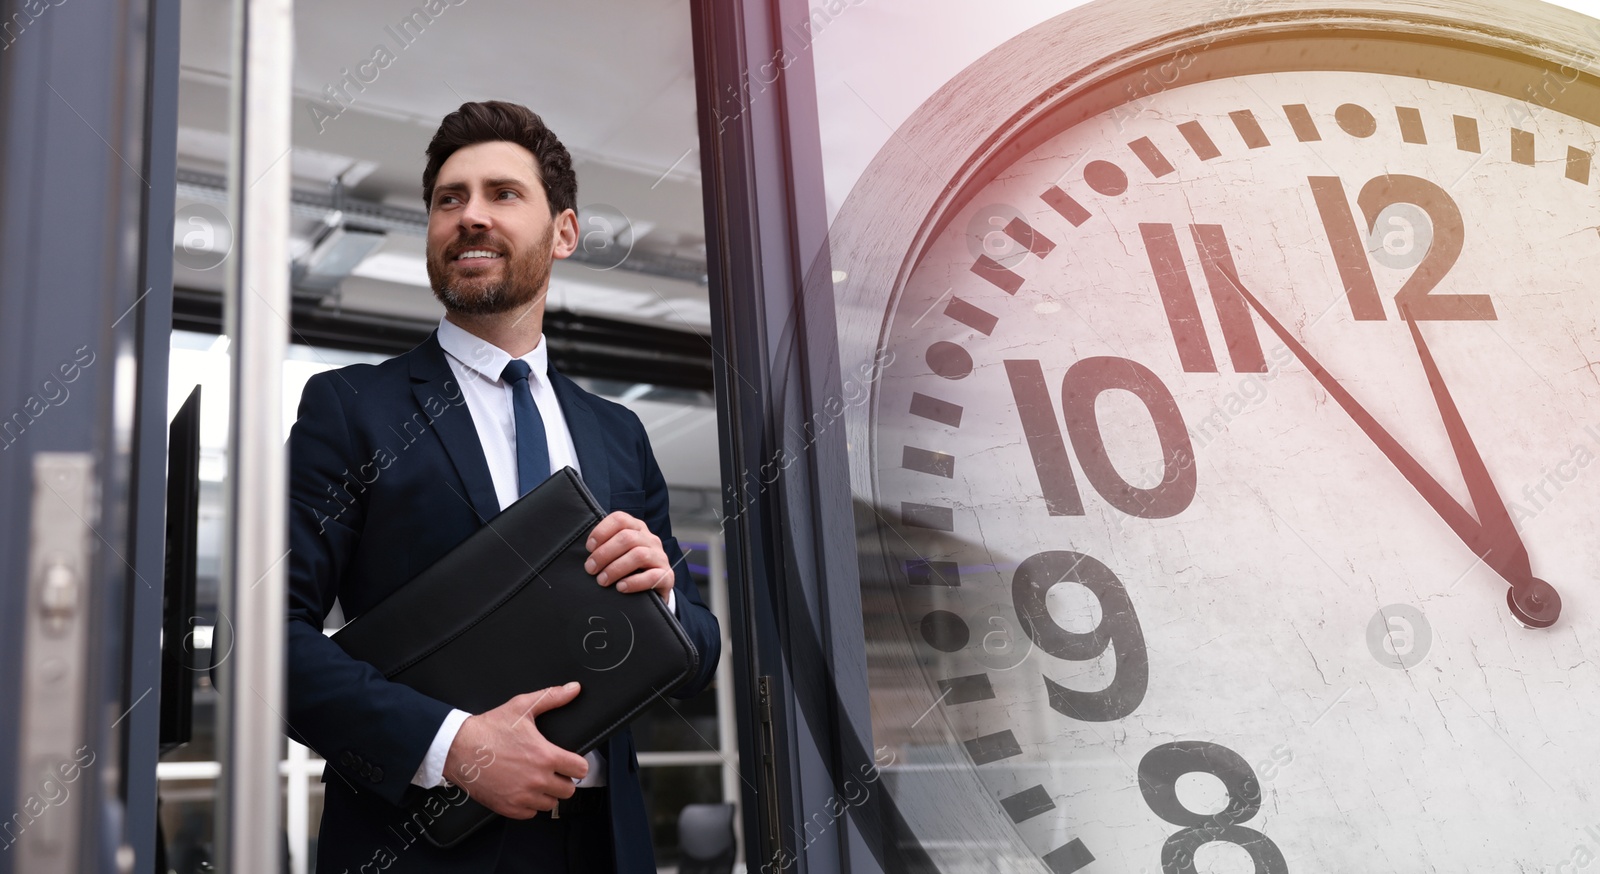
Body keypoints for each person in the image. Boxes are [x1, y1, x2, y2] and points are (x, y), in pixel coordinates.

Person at [285, 100, 721, 873]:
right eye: (449, 199)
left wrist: (665, 603)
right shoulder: (352, 408)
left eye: (502, 194)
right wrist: (454, 746)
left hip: (603, 846)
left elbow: (697, 660)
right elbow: (263, 644)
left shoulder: (619, 433)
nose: (470, 216)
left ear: (564, 232)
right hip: (422, 845)